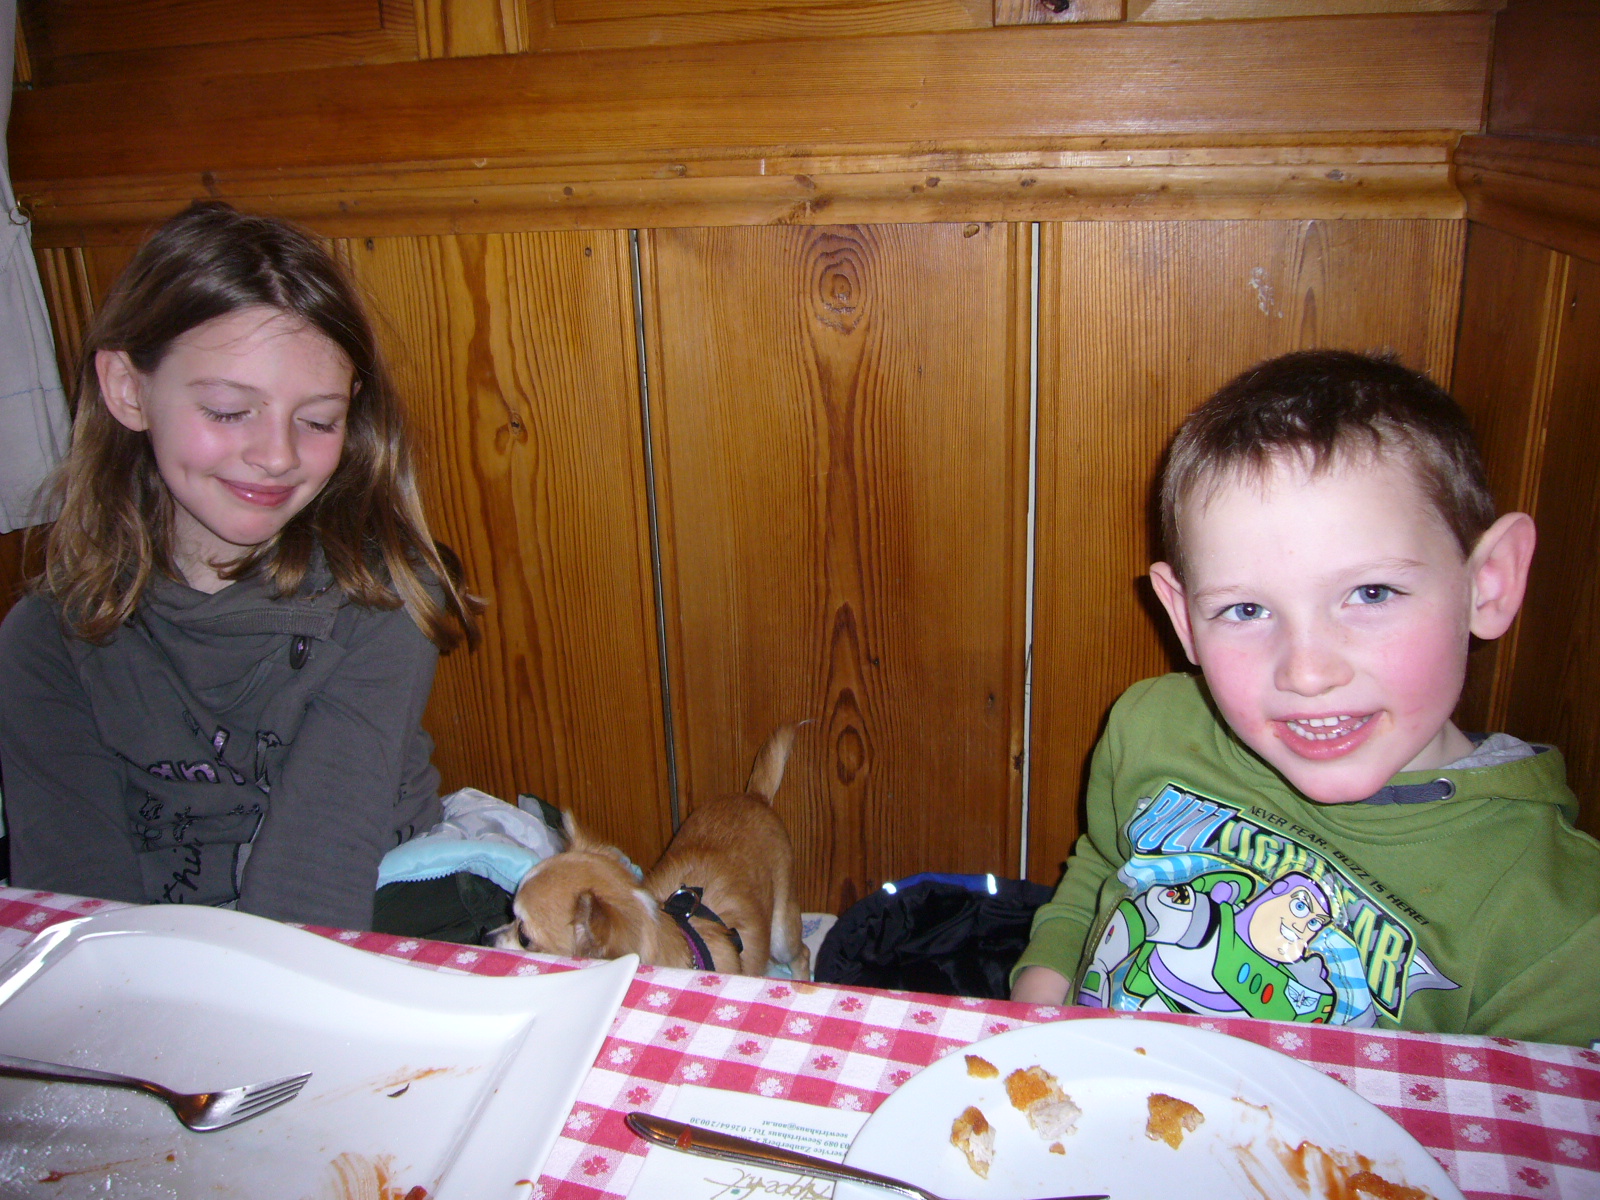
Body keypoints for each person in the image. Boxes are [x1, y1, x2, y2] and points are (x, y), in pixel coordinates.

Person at [1011, 350, 1600, 1046]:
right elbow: (1106, 869)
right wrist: (1039, 996)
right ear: (1183, 618)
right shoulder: (1153, 727)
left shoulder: (1561, 928)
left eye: (1371, 594)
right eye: (1246, 610)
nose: (1308, 672)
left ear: (1489, 583)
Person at [0, 201, 481, 932]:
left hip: (367, 906)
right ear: (128, 389)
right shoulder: (45, 640)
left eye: (317, 420)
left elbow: (313, 885)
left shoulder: (381, 603)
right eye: (229, 410)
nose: (278, 455)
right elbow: (76, 911)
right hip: (149, 944)